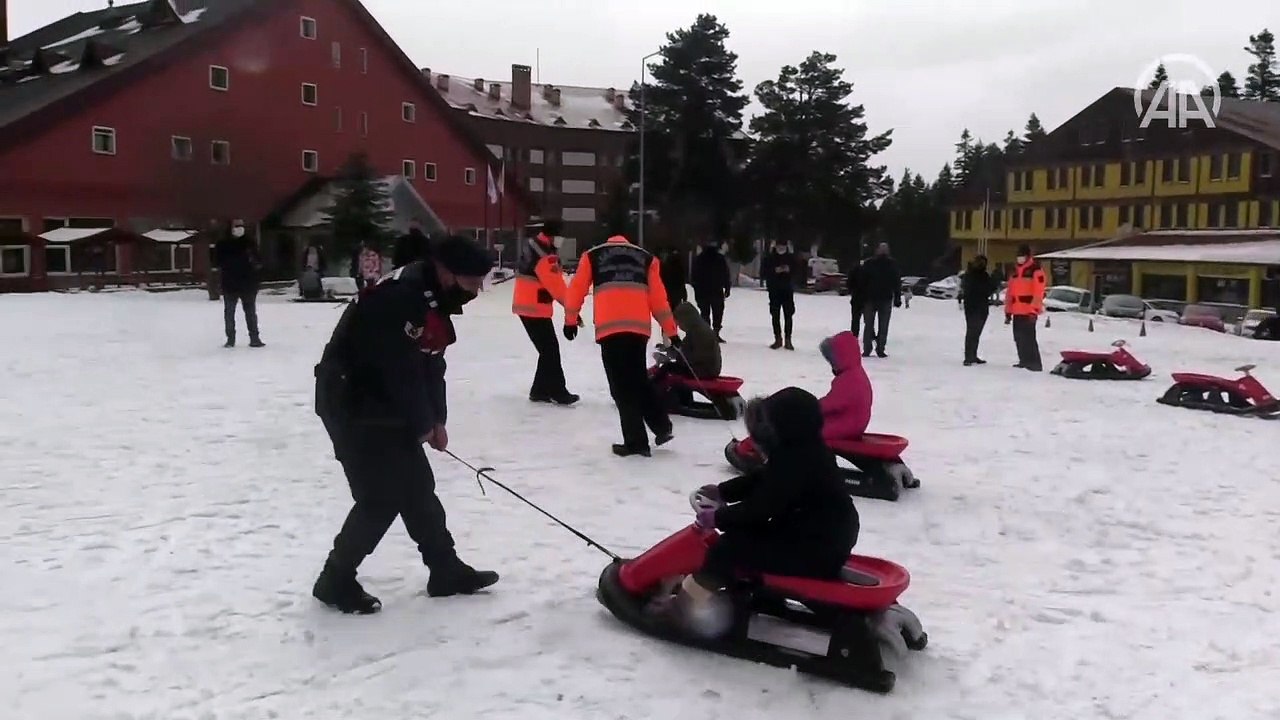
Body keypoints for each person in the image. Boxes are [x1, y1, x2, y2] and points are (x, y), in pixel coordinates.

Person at [310, 235, 499, 614]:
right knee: (380, 496)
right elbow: (398, 369)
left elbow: (430, 361)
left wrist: (437, 419)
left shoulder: (432, 297)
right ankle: (334, 580)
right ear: (446, 271)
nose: (477, 291)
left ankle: (444, 569)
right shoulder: (401, 298)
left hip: (382, 398)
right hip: (352, 401)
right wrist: (423, 422)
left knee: (416, 488)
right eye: (472, 282)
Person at [664, 387, 858, 636]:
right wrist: (723, 491)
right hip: (816, 536)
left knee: (726, 549)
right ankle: (758, 593)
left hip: (815, 548)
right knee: (746, 538)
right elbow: (763, 480)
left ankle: (683, 609)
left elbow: (762, 507)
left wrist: (718, 517)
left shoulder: (796, 460)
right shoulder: (803, 449)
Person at [564, 231, 679, 457]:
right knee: (639, 380)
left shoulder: (593, 256)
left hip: (610, 330)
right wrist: (671, 332)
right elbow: (659, 299)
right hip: (638, 330)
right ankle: (661, 425)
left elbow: (576, 290)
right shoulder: (646, 258)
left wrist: (570, 320)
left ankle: (636, 443)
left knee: (621, 388)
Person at [731, 331, 870, 461]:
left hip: (844, 425)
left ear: (842, 357)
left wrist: (807, 408)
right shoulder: (853, 374)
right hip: (848, 422)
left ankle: (763, 452)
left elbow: (833, 403)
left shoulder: (850, 379)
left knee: (796, 430)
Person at [511, 218, 578, 405]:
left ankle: (539, 391)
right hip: (534, 307)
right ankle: (558, 391)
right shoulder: (544, 253)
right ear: (553, 235)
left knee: (547, 350)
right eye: (560, 235)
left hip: (528, 305)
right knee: (550, 350)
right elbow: (556, 286)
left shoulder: (535, 245)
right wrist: (572, 308)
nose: (562, 239)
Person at [214, 219, 263, 348]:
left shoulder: (249, 243)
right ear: (231, 228)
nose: (239, 228)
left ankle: (254, 338)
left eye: (241, 226)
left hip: (248, 284)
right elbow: (218, 262)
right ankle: (230, 339)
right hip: (230, 284)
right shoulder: (223, 244)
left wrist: (255, 268)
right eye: (236, 226)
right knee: (229, 313)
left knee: (250, 313)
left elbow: (258, 261)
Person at [654, 300, 722, 383]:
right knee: (670, 367)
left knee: (666, 368)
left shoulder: (697, 332)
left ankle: (652, 387)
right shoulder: (698, 328)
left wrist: (673, 357)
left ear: (685, 319)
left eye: (678, 323)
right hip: (707, 368)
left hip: (704, 371)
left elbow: (690, 357)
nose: (679, 326)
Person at [1005, 244, 1047, 371]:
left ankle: (1034, 363)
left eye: (1022, 255)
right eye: (1018, 255)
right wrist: (1008, 311)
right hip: (1016, 310)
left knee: (1029, 338)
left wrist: (1034, 310)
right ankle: (1023, 360)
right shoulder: (1014, 271)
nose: (1019, 258)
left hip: (1028, 311)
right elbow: (1010, 292)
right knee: (1018, 337)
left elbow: (1039, 292)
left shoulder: (1035, 270)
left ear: (1028, 256)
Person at [856, 243, 901, 358]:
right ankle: (869, 348)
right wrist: (860, 296)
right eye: (882, 249)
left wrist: (897, 296)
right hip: (871, 298)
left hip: (884, 298)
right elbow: (862, 281)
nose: (883, 251)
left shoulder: (891, 264)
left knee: (881, 325)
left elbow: (896, 281)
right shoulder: (870, 264)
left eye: (885, 249)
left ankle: (879, 348)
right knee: (870, 325)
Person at [759, 240, 801, 349]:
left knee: (788, 315)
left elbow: (798, 271)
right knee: (775, 315)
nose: (781, 248)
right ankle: (778, 338)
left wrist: (789, 270)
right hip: (774, 290)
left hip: (787, 290)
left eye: (783, 246)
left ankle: (788, 339)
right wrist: (774, 271)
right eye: (779, 246)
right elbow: (763, 273)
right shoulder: (769, 258)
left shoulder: (791, 258)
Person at [961, 255, 1000, 366]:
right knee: (972, 332)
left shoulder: (982, 275)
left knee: (976, 333)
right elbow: (982, 290)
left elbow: (987, 290)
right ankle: (969, 357)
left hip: (981, 308)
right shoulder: (971, 275)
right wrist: (993, 282)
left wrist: (994, 281)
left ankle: (972, 355)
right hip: (973, 308)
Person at [690, 241, 731, 343]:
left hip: (703, 290)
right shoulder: (720, 259)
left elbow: (694, 275)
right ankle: (715, 332)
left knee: (705, 313)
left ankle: (706, 333)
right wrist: (727, 287)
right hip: (716, 290)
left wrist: (696, 288)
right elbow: (726, 274)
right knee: (718, 312)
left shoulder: (700, 259)